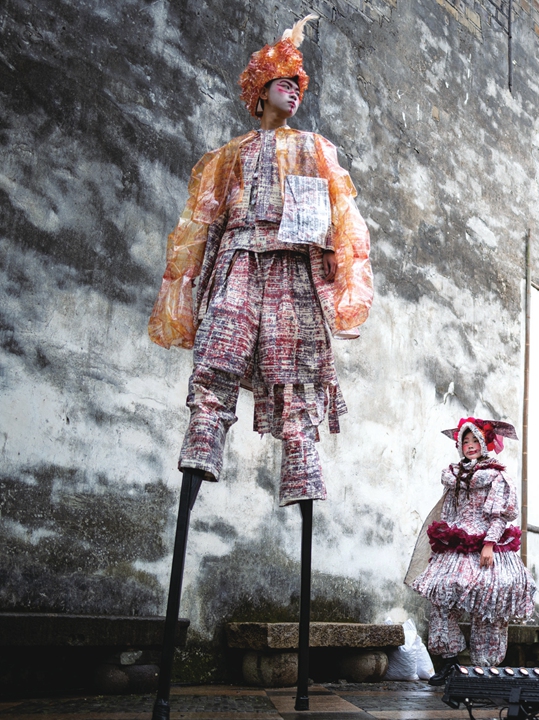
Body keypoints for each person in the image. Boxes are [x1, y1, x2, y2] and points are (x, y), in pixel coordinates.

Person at [148, 13, 374, 504]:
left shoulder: (316, 149)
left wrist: (344, 277)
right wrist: (182, 284)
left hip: (292, 264)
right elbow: (198, 220)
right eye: (282, 83)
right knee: (220, 342)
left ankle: (301, 455)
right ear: (260, 91)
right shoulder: (228, 155)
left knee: (294, 357)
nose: (293, 92)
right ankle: (205, 429)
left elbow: (343, 215)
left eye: (297, 85)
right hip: (238, 257)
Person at [410, 418, 535, 682]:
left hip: (488, 545)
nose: (469, 445)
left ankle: (484, 668)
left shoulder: (497, 476)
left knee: (489, 603)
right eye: (464, 441)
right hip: (457, 544)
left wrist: (488, 544)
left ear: (485, 443)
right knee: (442, 597)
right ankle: (448, 662)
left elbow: (500, 515)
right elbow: (449, 511)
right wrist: (445, 541)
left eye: (474, 440)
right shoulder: (453, 476)